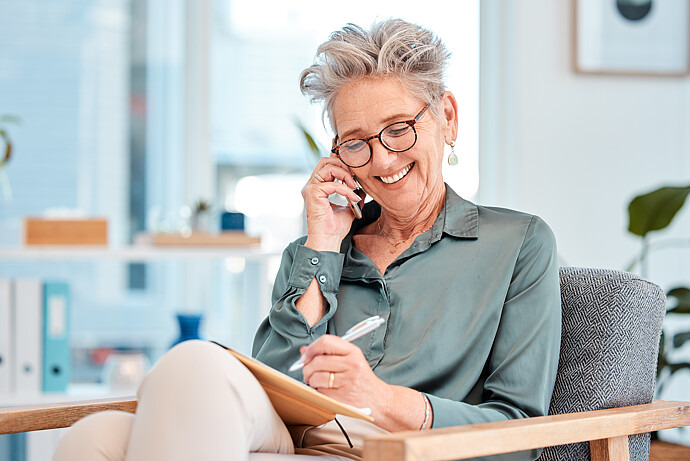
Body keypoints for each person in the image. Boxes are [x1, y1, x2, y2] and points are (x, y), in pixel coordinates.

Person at [53, 19, 561, 461]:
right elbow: (274, 384)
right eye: (356, 142)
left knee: (109, 432)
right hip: (294, 439)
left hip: (391, 450)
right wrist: (324, 243)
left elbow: (519, 435)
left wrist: (379, 398)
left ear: (446, 117)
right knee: (96, 434)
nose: (382, 160)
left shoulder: (517, 244)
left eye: (399, 128)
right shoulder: (315, 251)